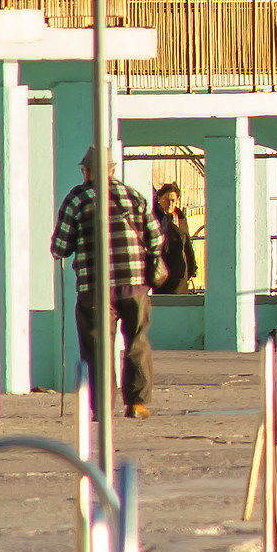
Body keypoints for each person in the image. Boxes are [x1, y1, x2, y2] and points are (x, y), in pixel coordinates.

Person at [49, 148, 157, 419]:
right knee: (137, 340)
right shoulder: (134, 196)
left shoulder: (78, 198)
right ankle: (136, 403)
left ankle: (102, 407)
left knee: (97, 346)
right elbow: (155, 238)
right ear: (112, 169)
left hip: (95, 288)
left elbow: (60, 246)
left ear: (88, 171)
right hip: (135, 284)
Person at [148, 184, 196, 296]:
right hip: (164, 274)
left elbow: (187, 244)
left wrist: (192, 268)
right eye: (166, 199)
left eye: (173, 200)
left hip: (181, 274)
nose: (170, 204)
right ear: (159, 199)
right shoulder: (156, 219)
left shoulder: (180, 218)